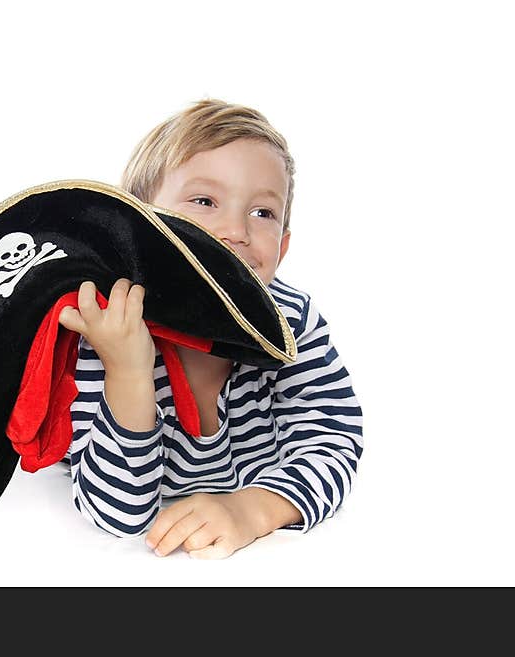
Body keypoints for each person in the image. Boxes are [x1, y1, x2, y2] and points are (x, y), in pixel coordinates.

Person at [57, 99, 363, 559]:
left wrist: (254, 509)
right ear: (138, 227)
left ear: (282, 247)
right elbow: (116, 514)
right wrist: (127, 371)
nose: (235, 231)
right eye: (204, 202)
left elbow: (333, 437)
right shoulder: (102, 330)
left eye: (263, 212)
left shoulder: (292, 319)